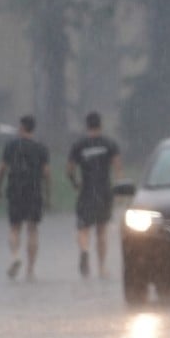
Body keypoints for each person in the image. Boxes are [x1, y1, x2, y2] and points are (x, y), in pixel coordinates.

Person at [0, 115, 50, 281]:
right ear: (33, 128)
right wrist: (48, 194)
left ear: (21, 127)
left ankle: (15, 256)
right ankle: (30, 270)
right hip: (34, 190)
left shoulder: (11, 146)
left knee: (15, 227)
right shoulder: (41, 148)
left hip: (15, 190)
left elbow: (1, 170)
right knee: (32, 229)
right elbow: (47, 173)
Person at [66, 111, 121, 277]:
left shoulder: (79, 145)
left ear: (87, 125)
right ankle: (102, 267)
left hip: (86, 190)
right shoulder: (110, 144)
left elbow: (69, 169)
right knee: (101, 231)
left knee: (83, 227)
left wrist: (75, 183)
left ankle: (84, 250)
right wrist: (118, 189)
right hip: (104, 191)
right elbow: (118, 168)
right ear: (100, 125)